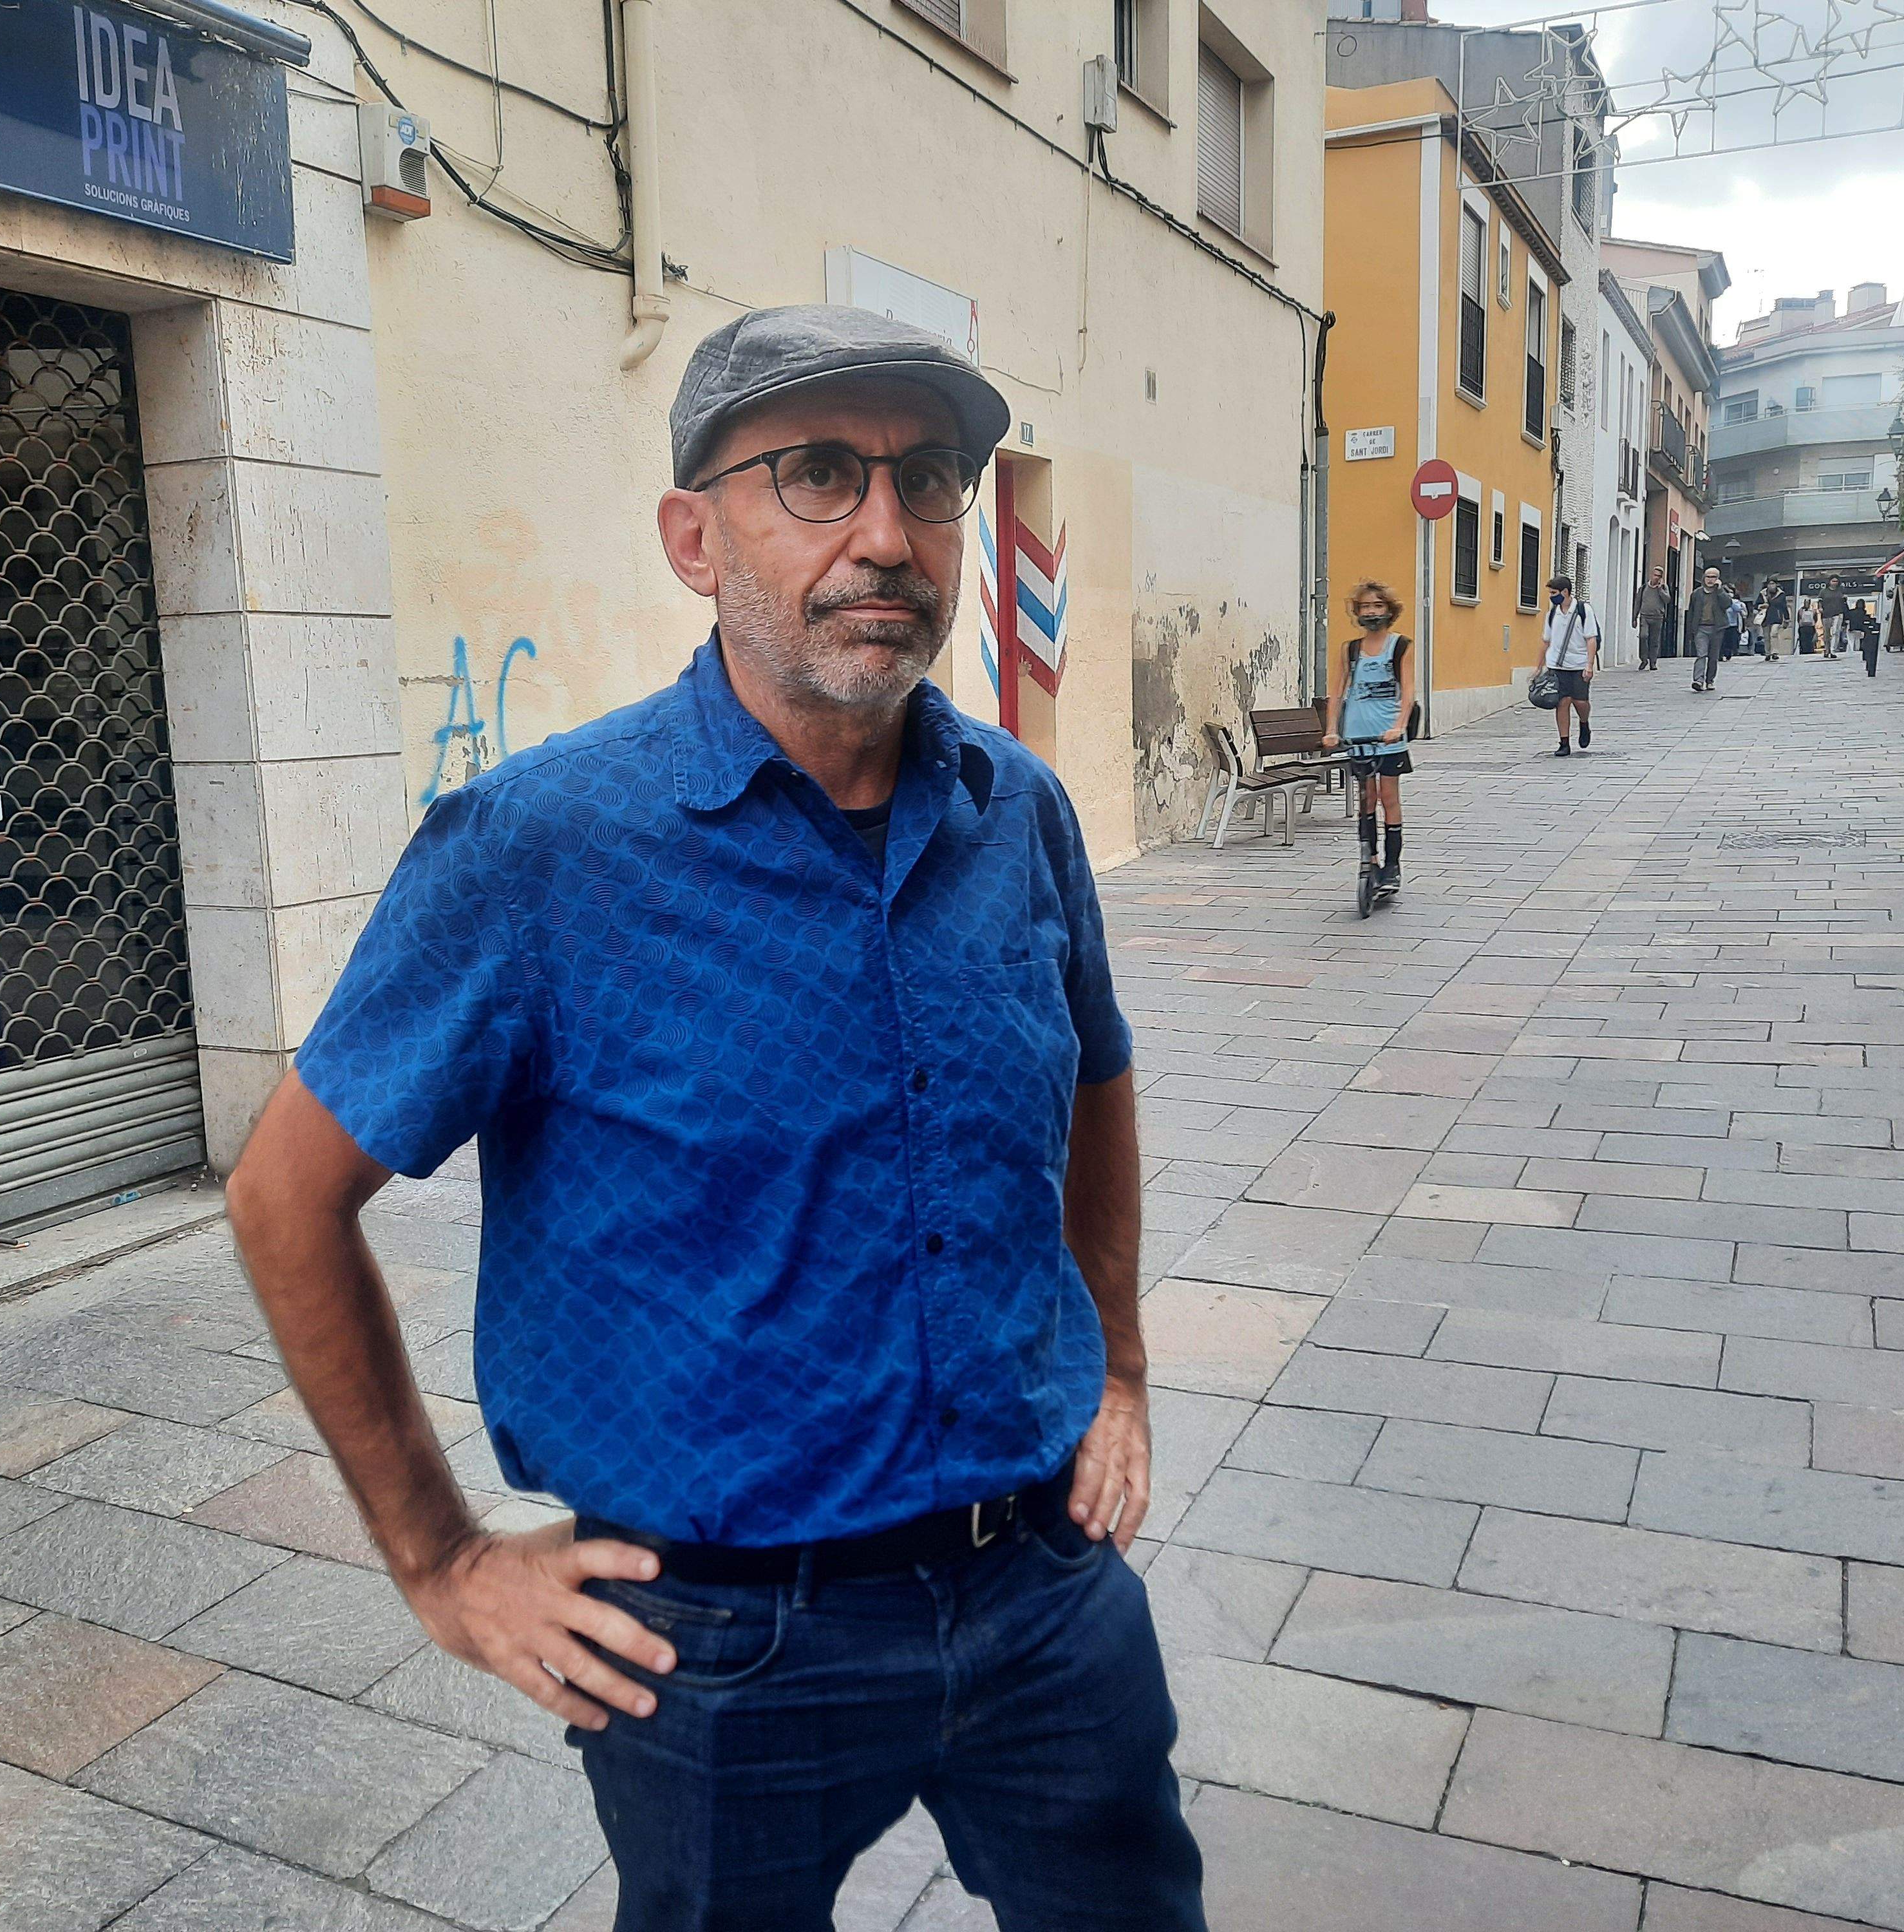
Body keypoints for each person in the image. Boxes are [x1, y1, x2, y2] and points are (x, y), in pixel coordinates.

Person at [224, 306, 1203, 1931]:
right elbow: (281, 1195)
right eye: (817, 474)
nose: (885, 534)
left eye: (926, 479)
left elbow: (1093, 1078)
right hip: (724, 1650)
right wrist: (442, 1558)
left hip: (1042, 1590)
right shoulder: (537, 850)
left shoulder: (1013, 810)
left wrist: (1118, 1363)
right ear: (695, 536)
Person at [1324, 578, 1417, 880]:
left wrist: (1399, 726)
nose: (1372, 611)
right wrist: (1331, 730)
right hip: (1358, 735)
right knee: (1367, 798)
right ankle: (1370, 857)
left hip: (1388, 735)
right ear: (1357, 612)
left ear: (1389, 610)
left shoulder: (1400, 646)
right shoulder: (1350, 650)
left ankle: (1392, 865)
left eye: (1378, 606)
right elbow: (1337, 693)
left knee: (1389, 797)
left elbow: (1408, 691)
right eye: (1365, 606)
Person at [1535, 573, 1599, 755]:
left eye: (1554, 592)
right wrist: (1539, 665)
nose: (1551, 596)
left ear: (1565, 592)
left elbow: (1591, 639)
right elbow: (1546, 641)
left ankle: (1584, 723)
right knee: (1562, 703)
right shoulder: (1552, 614)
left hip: (1578, 665)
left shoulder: (1583, 611)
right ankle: (1564, 743)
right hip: (1557, 666)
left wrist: (1589, 665)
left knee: (1581, 702)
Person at [1688, 566, 1731, 692]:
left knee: (1713, 657)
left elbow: (1727, 604)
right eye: (1708, 576)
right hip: (1701, 628)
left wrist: (1720, 590)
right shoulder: (1697, 593)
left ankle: (1710, 680)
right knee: (1701, 654)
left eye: (1714, 577)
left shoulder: (1721, 593)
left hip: (1717, 629)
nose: (1710, 580)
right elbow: (1691, 612)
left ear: (1718, 579)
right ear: (1704, 578)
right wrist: (1691, 630)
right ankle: (1698, 680)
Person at [1636, 567, 1668, 670]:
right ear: (1652, 575)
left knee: (1655, 641)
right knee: (1643, 636)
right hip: (1645, 616)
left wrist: (1660, 590)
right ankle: (1644, 659)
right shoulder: (1644, 587)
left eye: (1659, 576)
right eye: (1655, 575)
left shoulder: (1663, 588)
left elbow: (1667, 600)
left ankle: (1653, 662)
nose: (1656, 578)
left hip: (1658, 617)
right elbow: (1638, 602)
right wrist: (1634, 617)